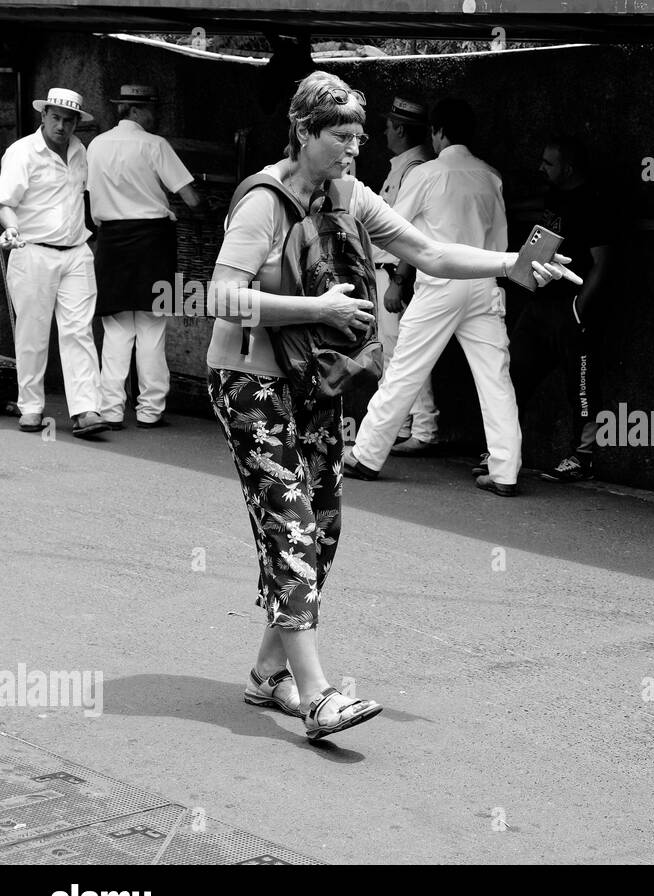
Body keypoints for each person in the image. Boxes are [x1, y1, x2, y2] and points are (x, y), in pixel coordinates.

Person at [205, 72, 578, 741]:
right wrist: (314, 308)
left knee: (321, 527)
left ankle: (268, 674)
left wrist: (517, 264)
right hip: (251, 384)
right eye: (339, 137)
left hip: (314, 384)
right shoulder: (263, 201)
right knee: (289, 529)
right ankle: (318, 696)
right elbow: (221, 297)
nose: (353, 150)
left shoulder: (349, 194)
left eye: (357, 137)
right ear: (304, 132)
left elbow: (428, 250)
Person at [345, 98, 523, 495]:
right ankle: (506, 470)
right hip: (484, 281)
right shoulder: (490, 176)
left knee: (404, 369)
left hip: (439, 283)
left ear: (439, 132)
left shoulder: (426, 174)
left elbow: (392, 228)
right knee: (495, 379)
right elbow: (501, 244)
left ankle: (367, 454)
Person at [494, 134, 613, 483]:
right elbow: (541, 240)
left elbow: (603, 263)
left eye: (548, 163)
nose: (540, 168)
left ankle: (583, 457)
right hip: (540, 305)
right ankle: (502, 450)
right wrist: (523, 281)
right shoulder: (554, 194)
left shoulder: (594, 202)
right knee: (513, 373)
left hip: (572, 308)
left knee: (580, 386)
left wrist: (579, 309)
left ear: (569, 167)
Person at [87, 84, 203, 429]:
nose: (157, 115)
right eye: (153, 108)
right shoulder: (155, 145)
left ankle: (109, 410)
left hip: (112, 243)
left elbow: (87, 196)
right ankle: (150, 411)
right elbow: (191, 198)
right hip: (152, 243)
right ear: (135, 110)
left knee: (117, 328)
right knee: (152, 327)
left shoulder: (96, 146)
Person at [0, 87, 108, 438]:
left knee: (79, 331)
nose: (61, 126)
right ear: (43, 116)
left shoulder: (81, 152)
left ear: (77, 122)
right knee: (31, 333)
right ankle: (30, 407)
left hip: (76, 251)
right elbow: (6, 204)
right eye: (56, 118)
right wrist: (12, 230)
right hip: (32, 250)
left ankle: (85, 410)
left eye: (68, 120)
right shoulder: (21, 152)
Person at [368, 93, 439, 455]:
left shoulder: (415, 169)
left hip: (399, 272)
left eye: (388, 126)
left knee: (404, 351)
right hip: (393, 270)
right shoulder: (407, 165)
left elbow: (411, 231)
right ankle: (407, 425)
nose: (383, 131)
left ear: (399, 128)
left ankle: (423, 427)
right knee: (397, 350)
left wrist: (398, 279)